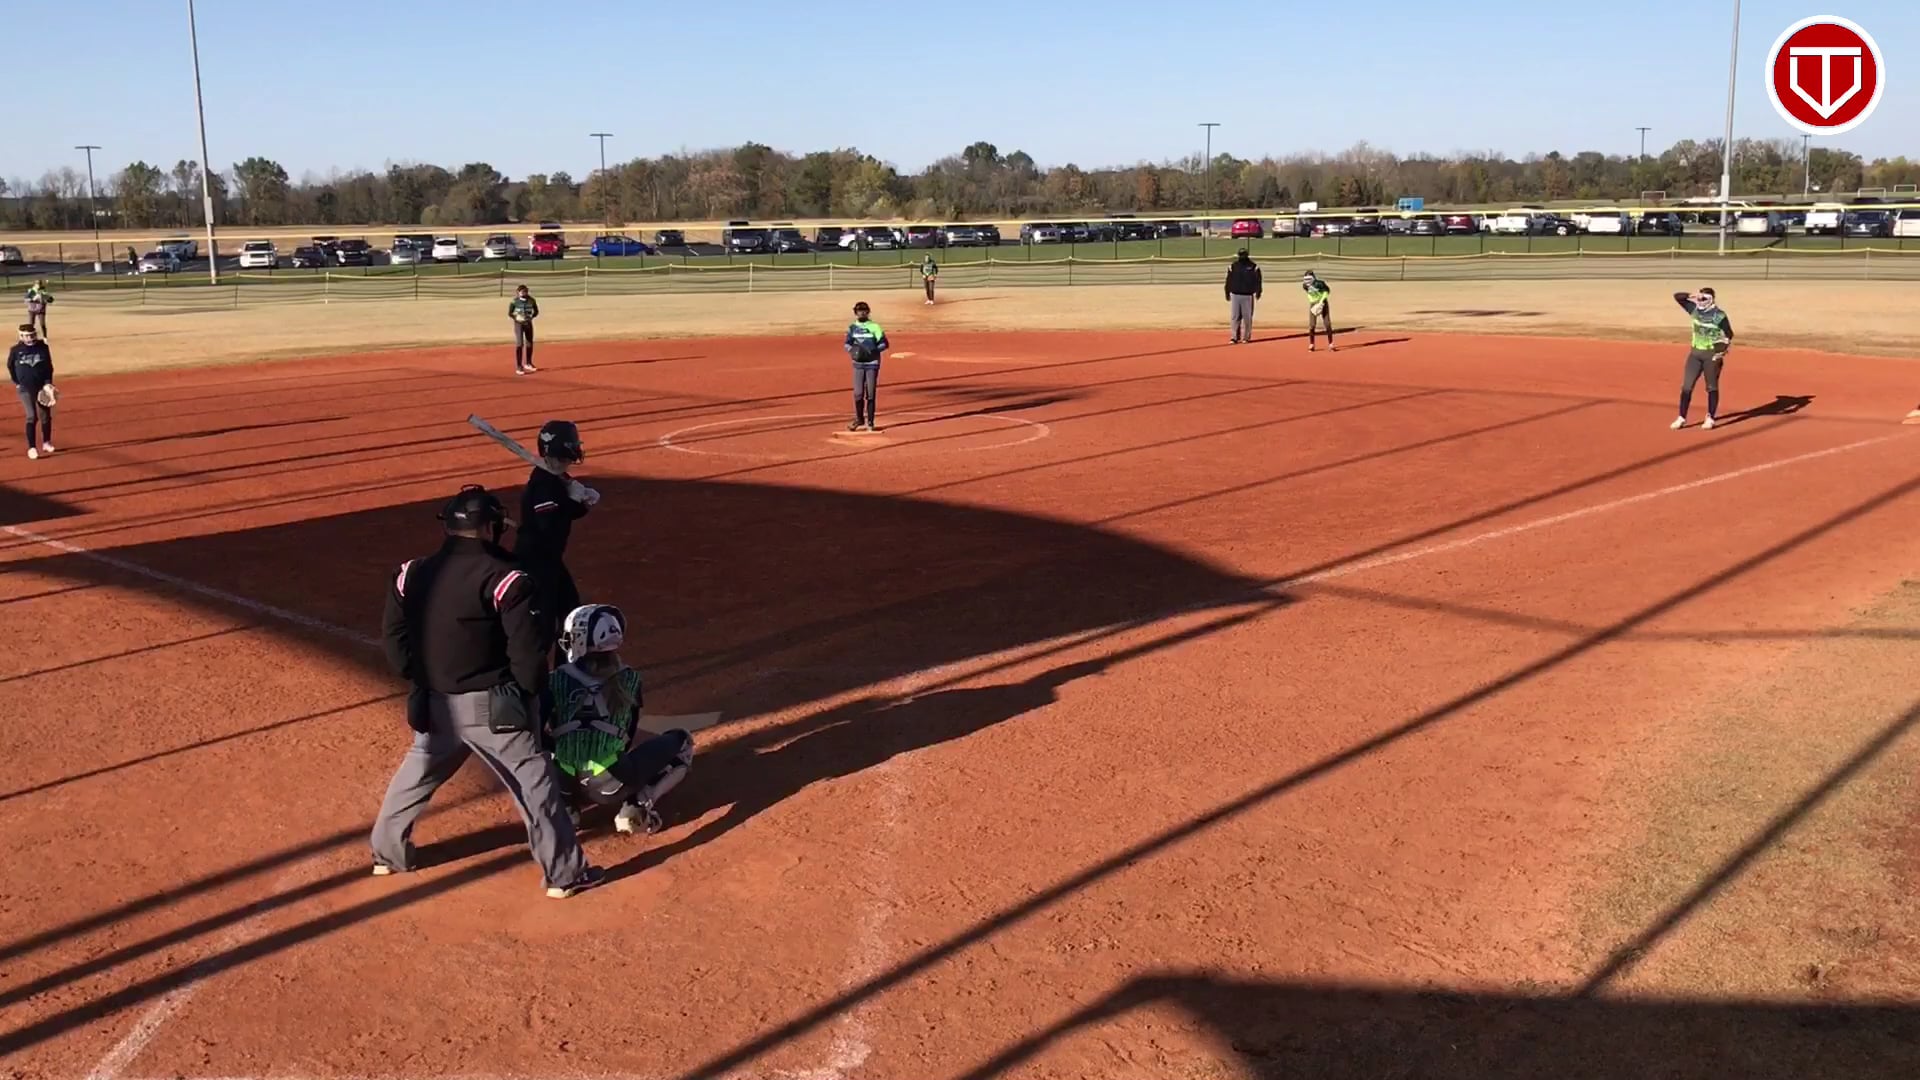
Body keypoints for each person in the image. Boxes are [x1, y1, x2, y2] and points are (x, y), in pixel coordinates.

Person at [372, 485, 604, 899]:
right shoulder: (506, 579)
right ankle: (564, 874)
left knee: (414, 776)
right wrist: (530, 698)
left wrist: (422, 678)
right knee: (536, 786)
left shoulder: (409, 574)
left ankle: (387, 855)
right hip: (495, 708)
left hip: (435, 703)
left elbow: (395, 641)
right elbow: (527, 654)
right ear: (489, 528)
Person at [547, 603, 694, 836]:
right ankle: (637, 804)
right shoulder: (629, 679)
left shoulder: (554, 679)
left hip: (563, 781)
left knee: (548, 749)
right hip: (610, 785)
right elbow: (627, 733)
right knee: (682, 741)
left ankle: (566, 810)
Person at [516, 420, 598, 657]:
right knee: (543, 628)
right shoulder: (544, 484)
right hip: (536, 564)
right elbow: (549, 525)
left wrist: (582, 503)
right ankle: (534, 675)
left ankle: (566, 669)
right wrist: (573, 500)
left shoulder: (556, 478)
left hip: (549, 560)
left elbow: (563, 513)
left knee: (571, 613)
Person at [1671, 288, 1733, 430]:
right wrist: (1691, 295)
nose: (1700, 301)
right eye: (1699, 298)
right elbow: (1678, 297)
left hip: (1711, 356)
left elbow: (1729, 334)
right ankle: (1681, 417)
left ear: (1711, 299)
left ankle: (1710, 417)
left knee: (1711, 387)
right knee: (1687, 387)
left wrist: (1723, 348)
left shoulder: (1719, 315)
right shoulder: (1694, 310)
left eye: (1703, 299)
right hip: (1695, 355)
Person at [8, 323, 55, 460]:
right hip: (25, 388)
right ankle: (32, 447)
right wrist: (17, 382)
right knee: (31, 416)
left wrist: (48, 383)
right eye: (26, 336)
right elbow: (10, 367)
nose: (29, 338)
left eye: (31, 335)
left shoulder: (43, 348)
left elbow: (49, 367)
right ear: (21, 336)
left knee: (45, 416)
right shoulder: (16, 350)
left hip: (42, 387)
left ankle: (46, 442)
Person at [844, 300, 890, 432]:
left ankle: (870, 421)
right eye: (859, 311)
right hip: (858, 364)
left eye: (864, 310)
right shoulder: (852, 328)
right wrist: (853, 352)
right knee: (858, 394)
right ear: (855, 313)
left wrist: (873, 351)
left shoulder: (875, 327)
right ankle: (859, 419)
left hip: (872, 364)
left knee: (870, 393)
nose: (862, 313)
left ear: (868, 312)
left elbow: (885, 344)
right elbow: (847, 344)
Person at [1224, 249, 1261, 344]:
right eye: (1241, 255)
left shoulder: (1253, 266)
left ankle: (1246, 337)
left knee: (1247, 318)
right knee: (1235, 317)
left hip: (1248, 295)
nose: (1242, 256)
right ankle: (1234, 337)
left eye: (1244, 255)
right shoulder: (1233, 266)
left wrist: (1258, 291)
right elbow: (1228, 279)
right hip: (1235, 294)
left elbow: (1258, 280)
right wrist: (1227, 291)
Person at [509, 285, 539, 375]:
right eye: (521, 291)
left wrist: (531, 317)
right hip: (519, 324)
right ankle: (519, 366)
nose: (523, 293)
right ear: (518, 292)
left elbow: (536, 311)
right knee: (520, 344)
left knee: (529, 342)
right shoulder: (514, 301)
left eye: (524, 291)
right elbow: (510, 313)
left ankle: (528, 363)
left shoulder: (531, 300)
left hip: (528, 323)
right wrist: (516, 317)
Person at [1302, 270, 1335, 352]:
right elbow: (1309, 294)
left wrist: (1321, 301)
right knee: (1312, 325)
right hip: (1313, 304)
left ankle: (1331, 344)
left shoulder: (1319, 284)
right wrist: (1313, 302)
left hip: (1322, 303)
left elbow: (1327, 291)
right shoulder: (1305, 285)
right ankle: (1311, 344)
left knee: (1327, 324)